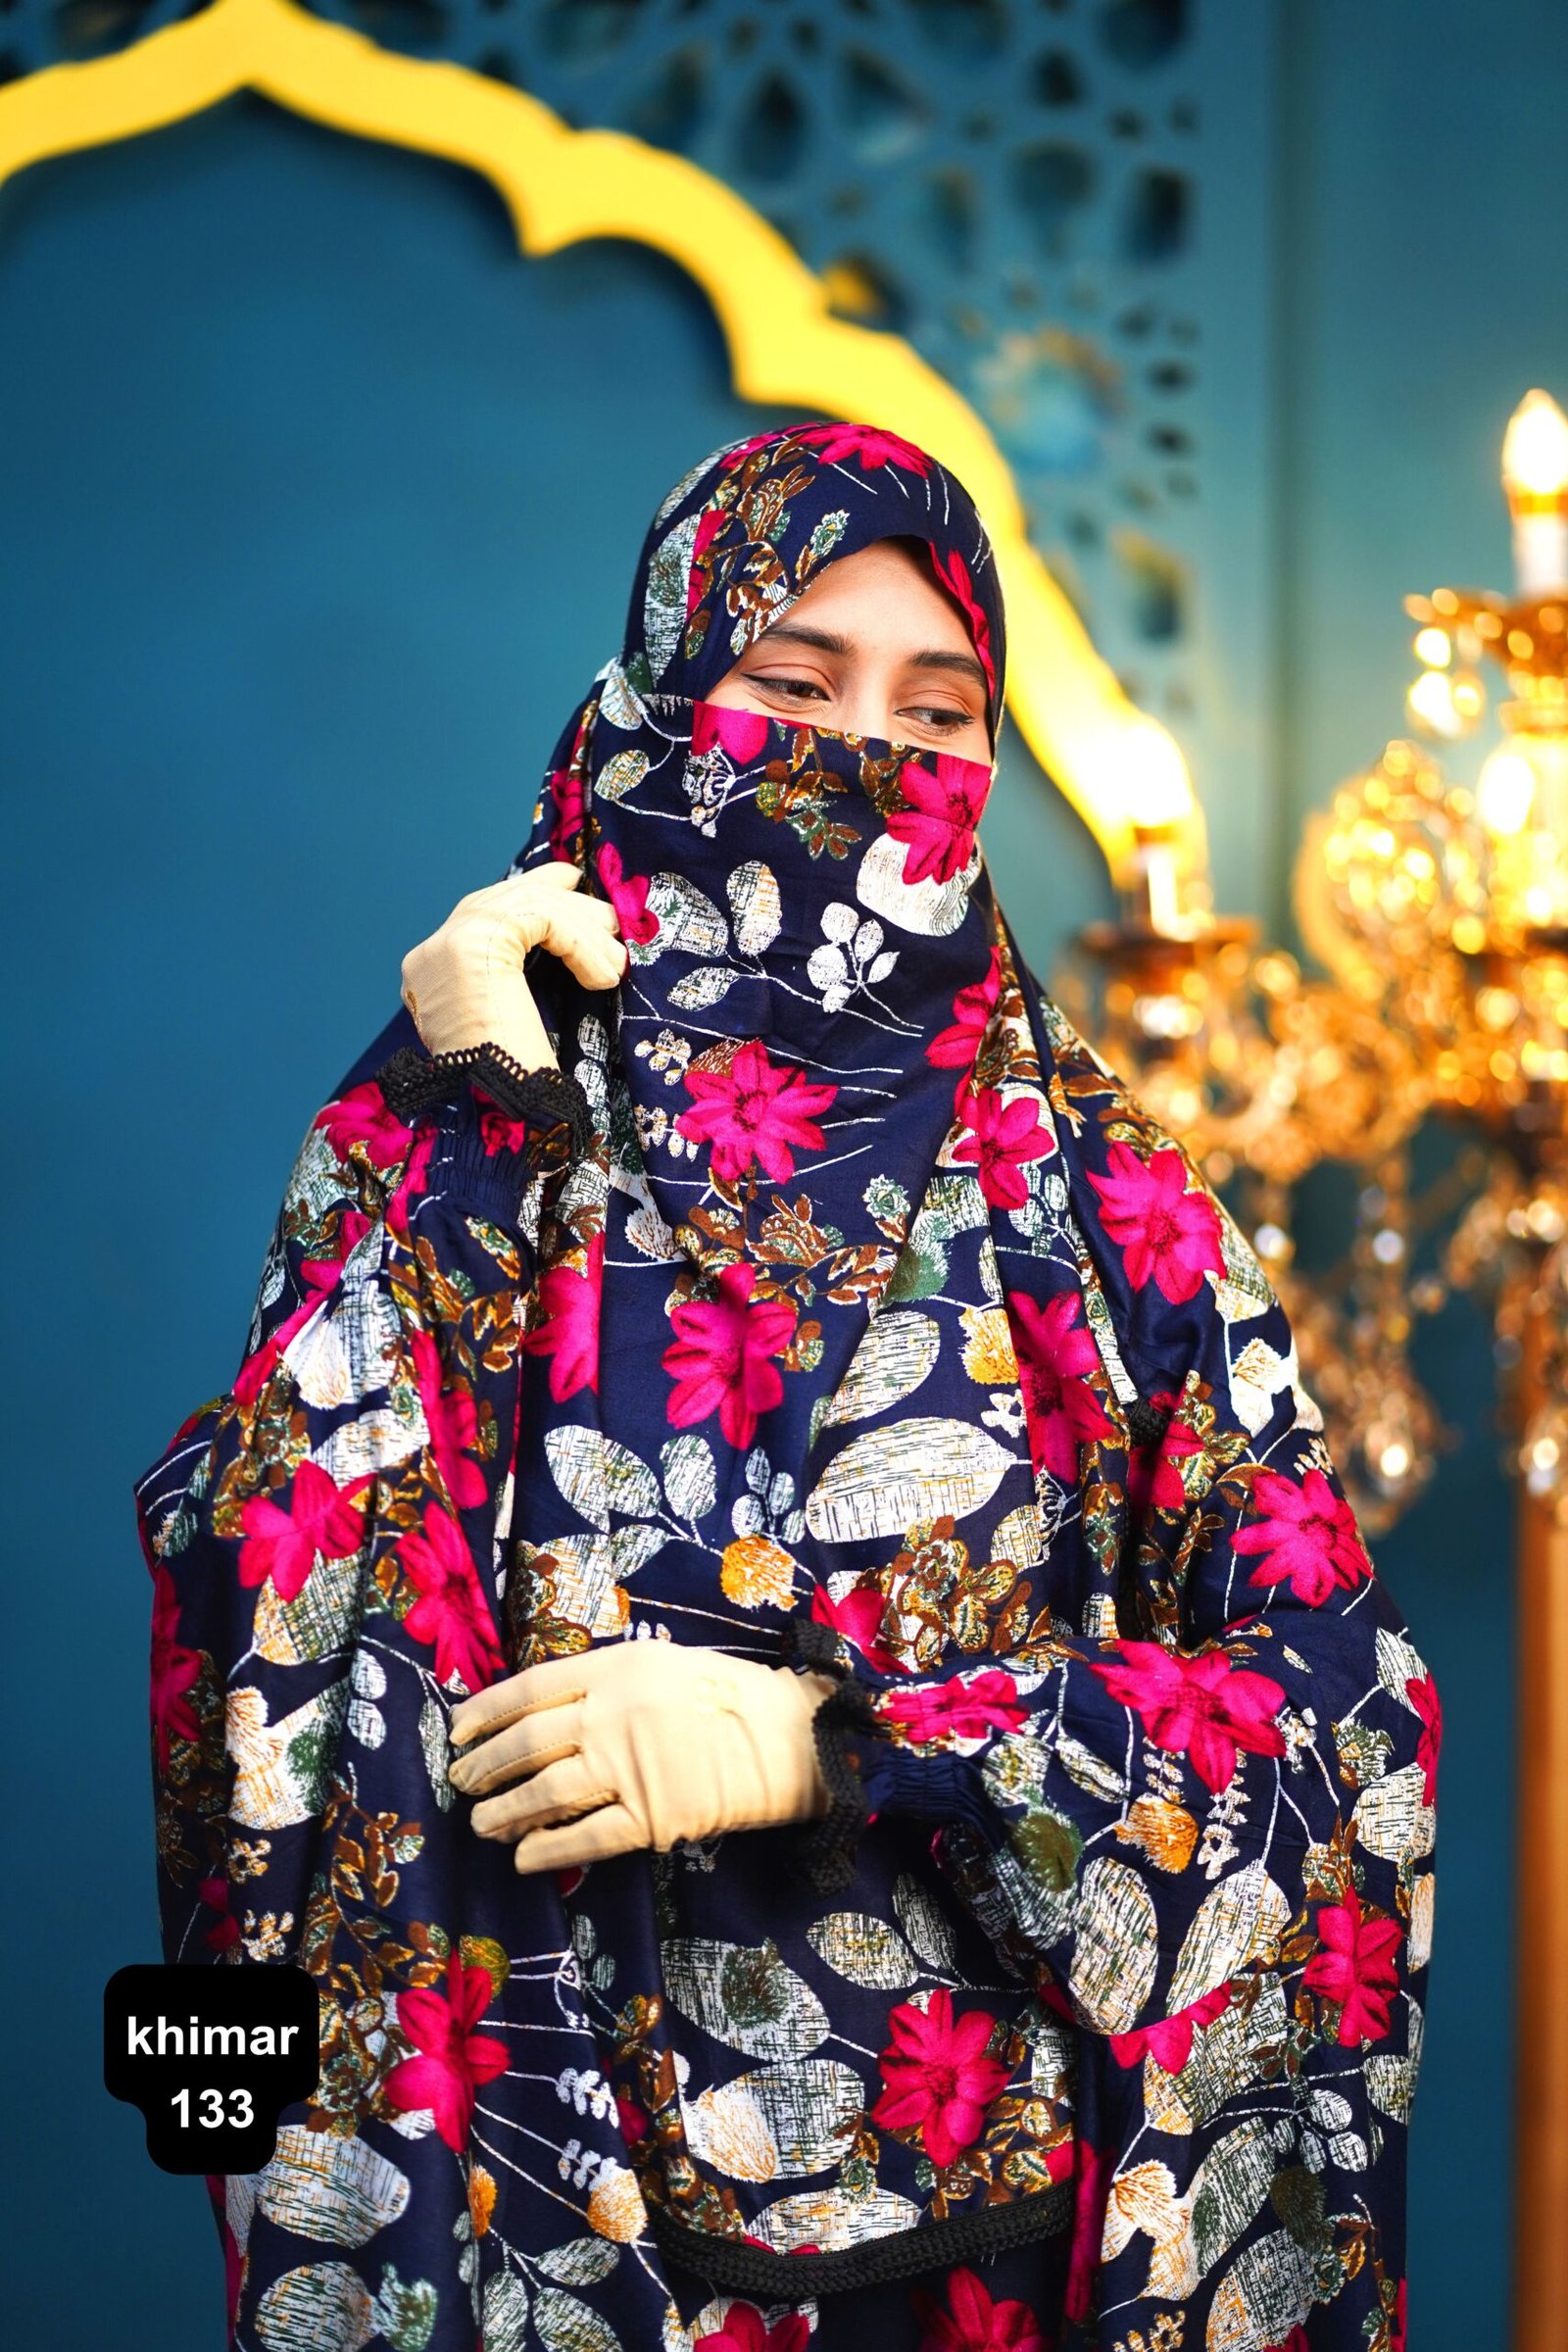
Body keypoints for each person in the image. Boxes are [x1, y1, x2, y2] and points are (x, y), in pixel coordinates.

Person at [136, 421, 1437, 2352]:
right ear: (658, 706)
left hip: (998, 2269)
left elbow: (1346, 1726)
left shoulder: (1110, 1203)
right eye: (795, 684)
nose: (867, 755)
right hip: (531, 2227)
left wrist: (854, 1740)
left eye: (937, 710)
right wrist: (471, 1120)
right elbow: (266, 1581)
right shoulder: (461, 1114)